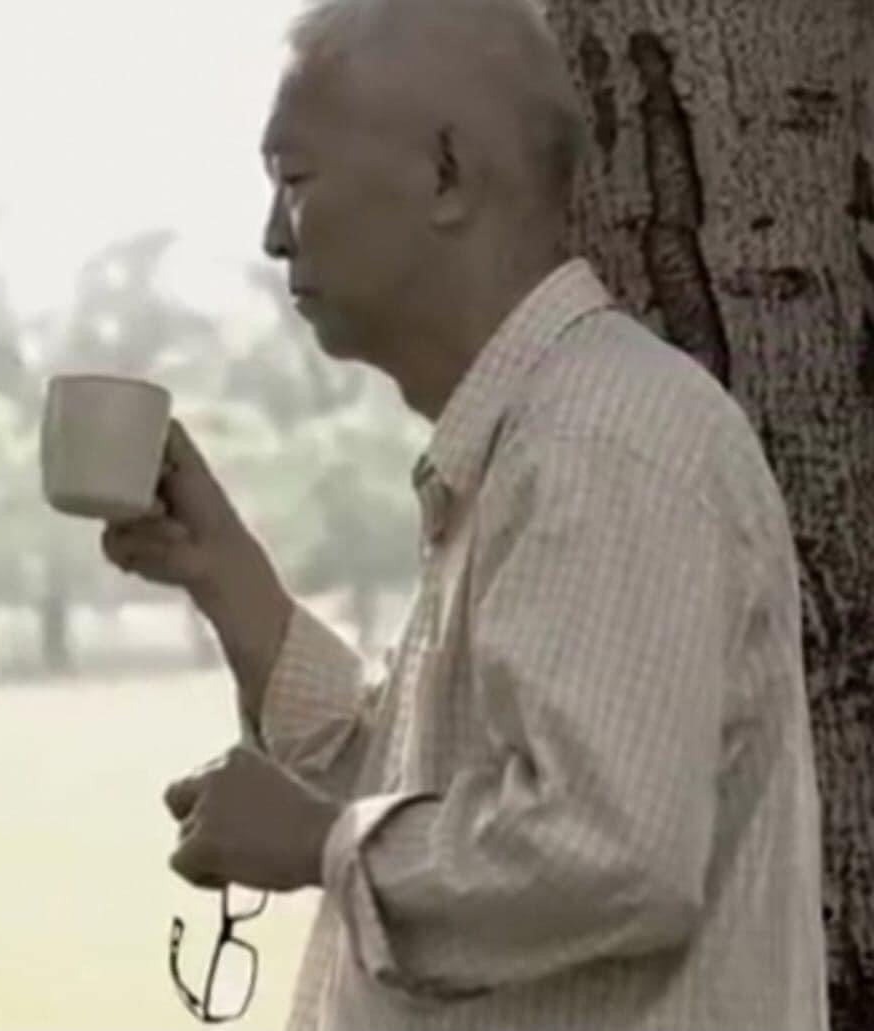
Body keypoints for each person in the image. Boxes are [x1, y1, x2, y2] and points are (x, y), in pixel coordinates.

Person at [102, 0, 830, 1027]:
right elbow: (423, 795)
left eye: (295, 179)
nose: (271, 235)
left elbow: (608, 851)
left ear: (446, 173)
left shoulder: (595, 441)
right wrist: (228, 577)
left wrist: (316, 843)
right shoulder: (535, 433)